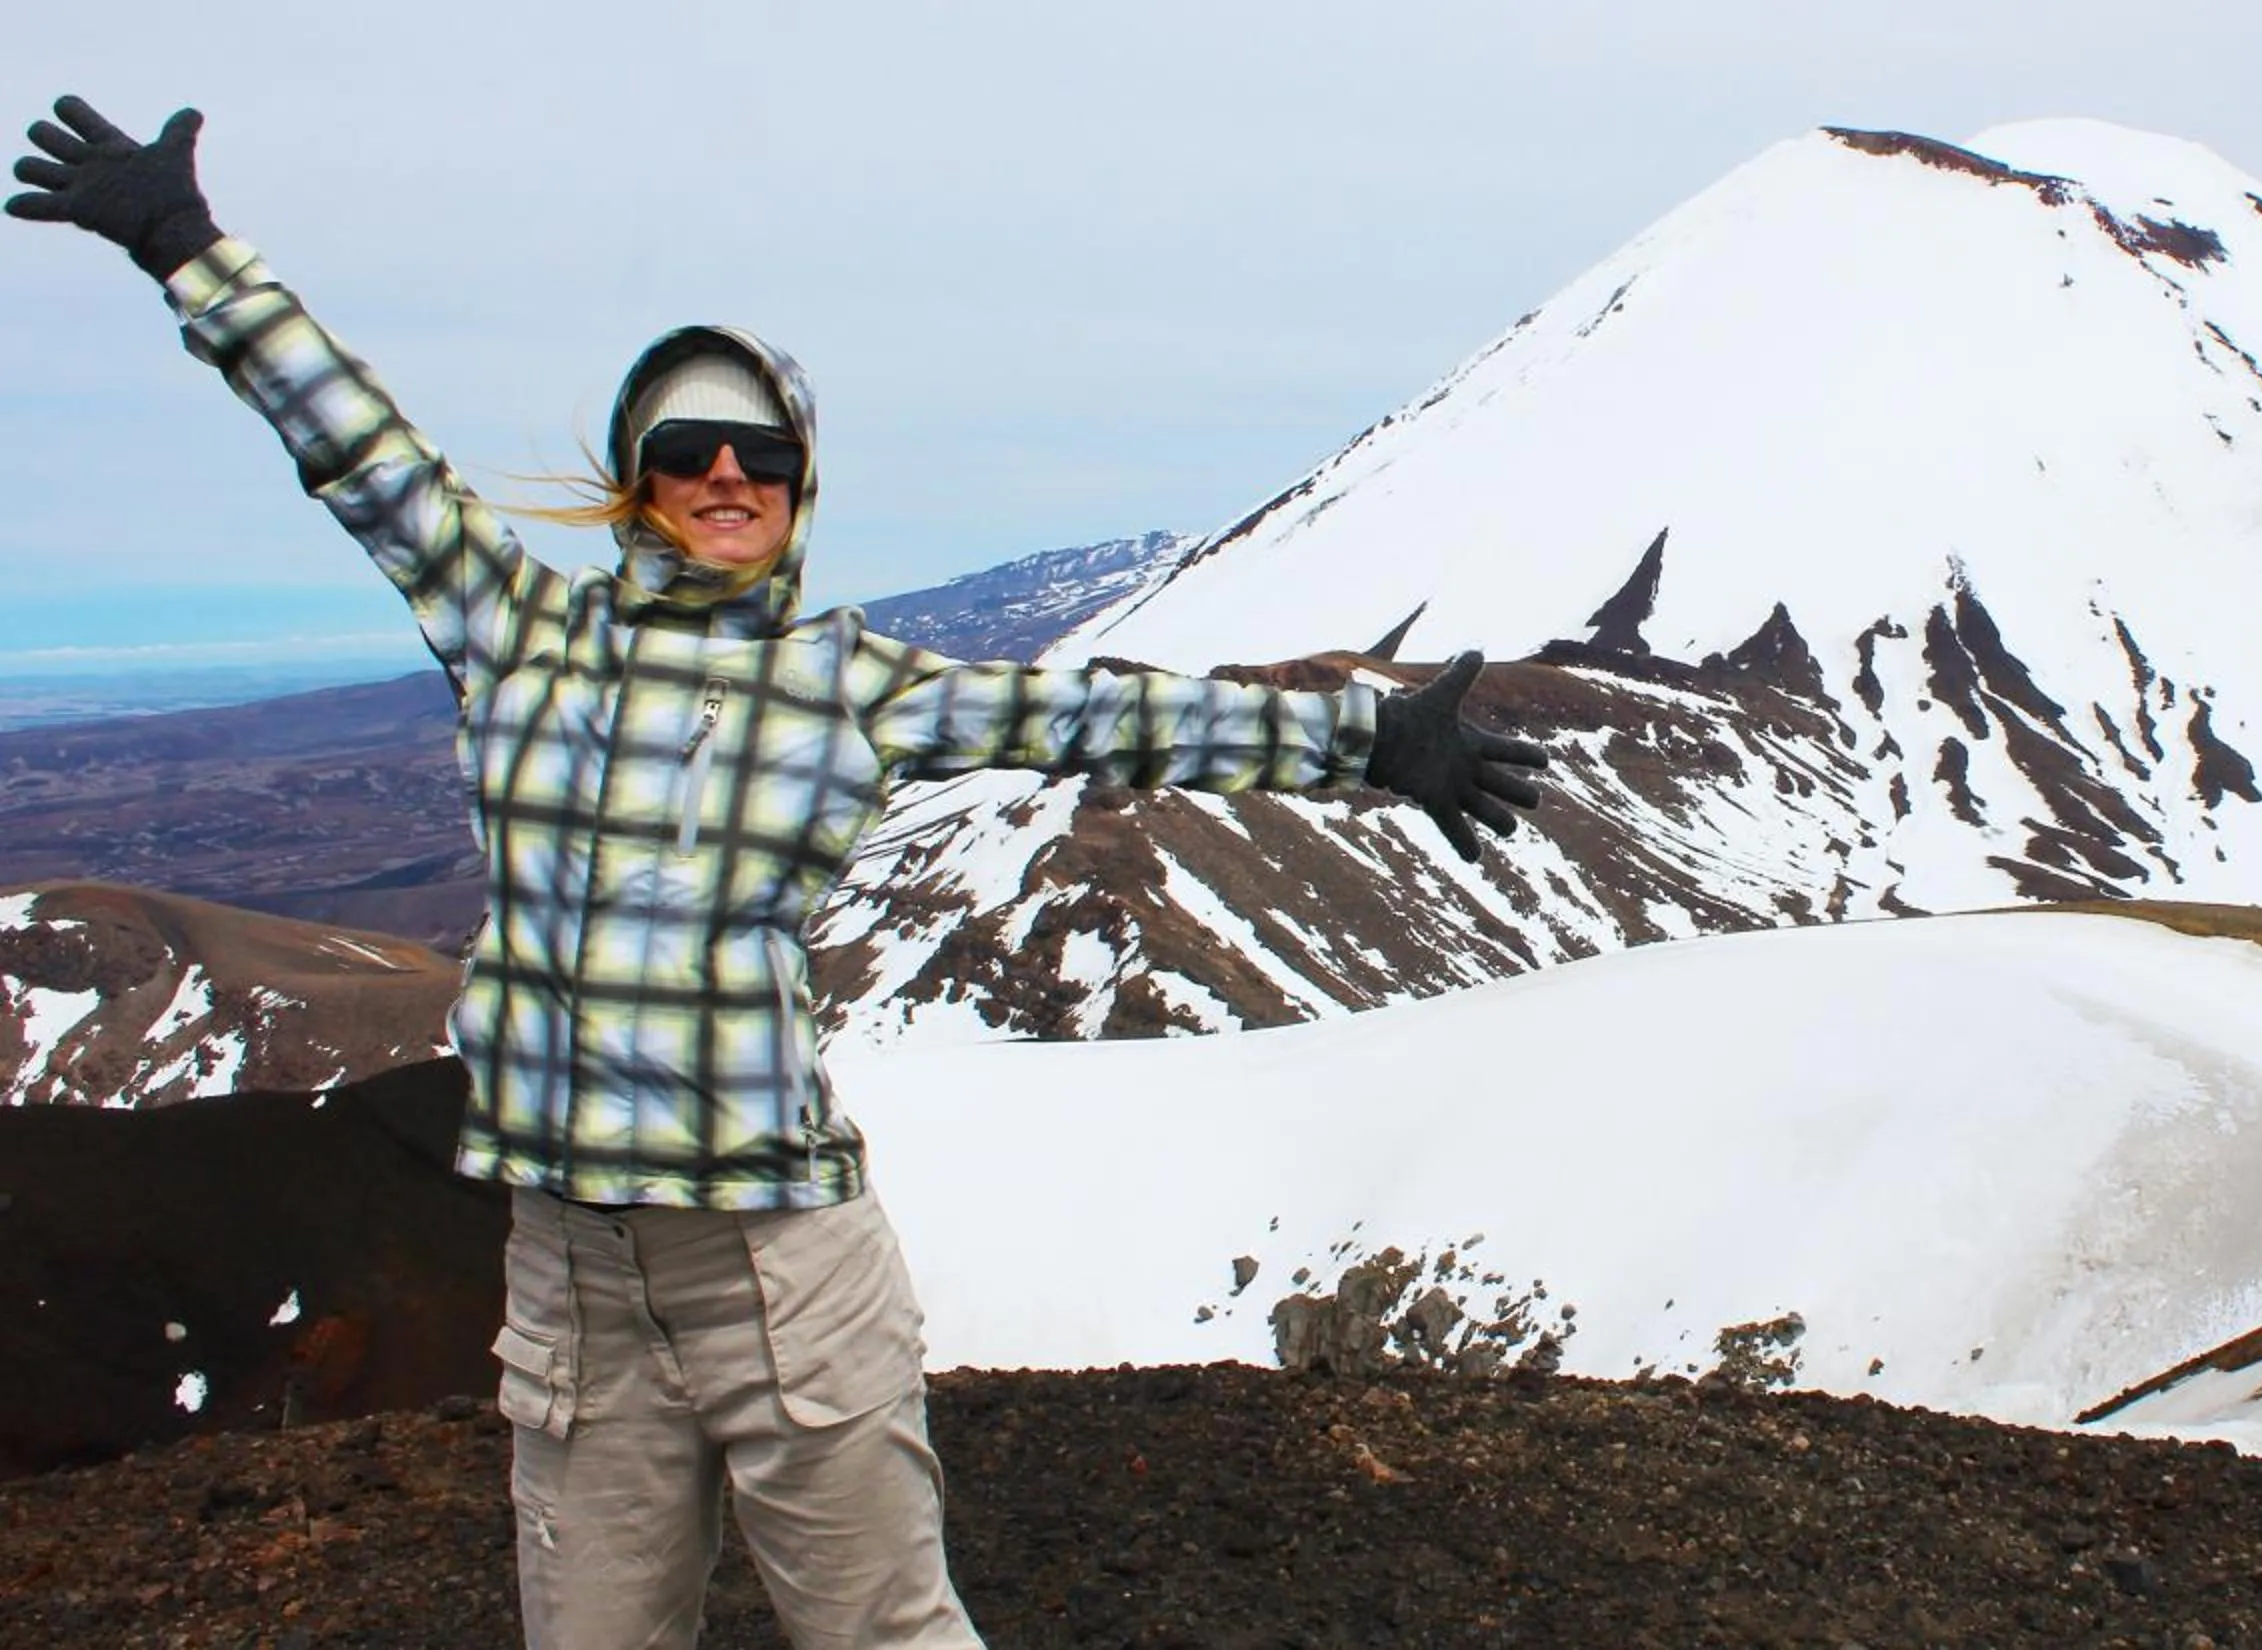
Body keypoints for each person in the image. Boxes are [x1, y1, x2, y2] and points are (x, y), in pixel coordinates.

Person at [10, 98, 1550, 1650]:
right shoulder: (515, 632)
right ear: (636, 479)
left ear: (802, 486)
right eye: (687, 450)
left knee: (883, 1630)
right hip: (567, 1277)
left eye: (764, 452)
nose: (727, 471)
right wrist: (187, 249)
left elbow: (1103, 718)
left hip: (777, 1263)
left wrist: (1367, 740)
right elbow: (361, 456)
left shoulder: (852, 683)